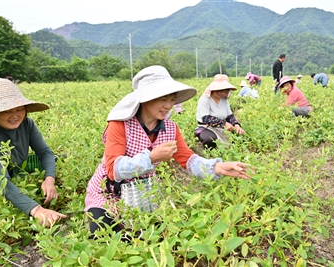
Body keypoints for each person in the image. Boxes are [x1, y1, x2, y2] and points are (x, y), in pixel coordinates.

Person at [84, 66, 251, 235]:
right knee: (100, 234)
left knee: (151, 238)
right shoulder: (120, 124)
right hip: (107, 193)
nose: (168, 106)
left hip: (142, 194)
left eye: (172, 100)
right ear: (145, 99)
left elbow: (188, 159)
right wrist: (150, 157)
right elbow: (113, 169)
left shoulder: (170, 129)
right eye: (163, 99)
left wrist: (216, 167)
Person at [0, 78, 67, 226]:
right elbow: (1, 181)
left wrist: (49, 179)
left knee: (56, 159)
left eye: (19, 109)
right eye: (7, 110)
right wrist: (37, 210)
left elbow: (45, 152)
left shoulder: (27, 123)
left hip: (18, 167)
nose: (15, 115)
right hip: (1, 176)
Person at [194, 74, 247, 149]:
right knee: (209, 139)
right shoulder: (205, 99)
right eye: (220, 91)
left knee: (241, 136)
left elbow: (230, 116)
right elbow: (206, 118)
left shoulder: (224, 100)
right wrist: (224, 123)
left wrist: (236, 125)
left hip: (222, 128)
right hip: (207, 127)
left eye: (224, 91)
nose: (222, 93)